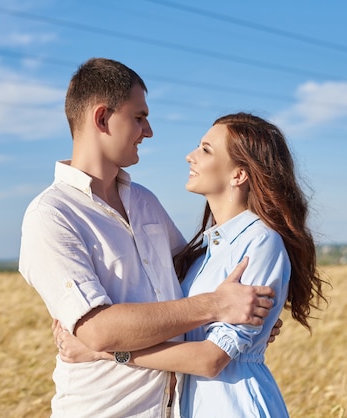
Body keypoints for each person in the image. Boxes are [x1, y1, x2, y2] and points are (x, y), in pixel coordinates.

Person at [18, 58, 277, 417]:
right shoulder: (51, 216)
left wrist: (250, 320)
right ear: (102, 118)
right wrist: (217, 306)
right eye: (139, 117)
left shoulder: (145, 201)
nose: (149, 131)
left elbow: (190, 275)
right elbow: (98, 331)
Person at [55, 112, 328, 417]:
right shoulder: (206, 252)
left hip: (235, 406)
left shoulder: (261, 242)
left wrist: (101, 351)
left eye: (206, 150)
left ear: (239, 175)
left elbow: (209, 360)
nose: (190, 156)